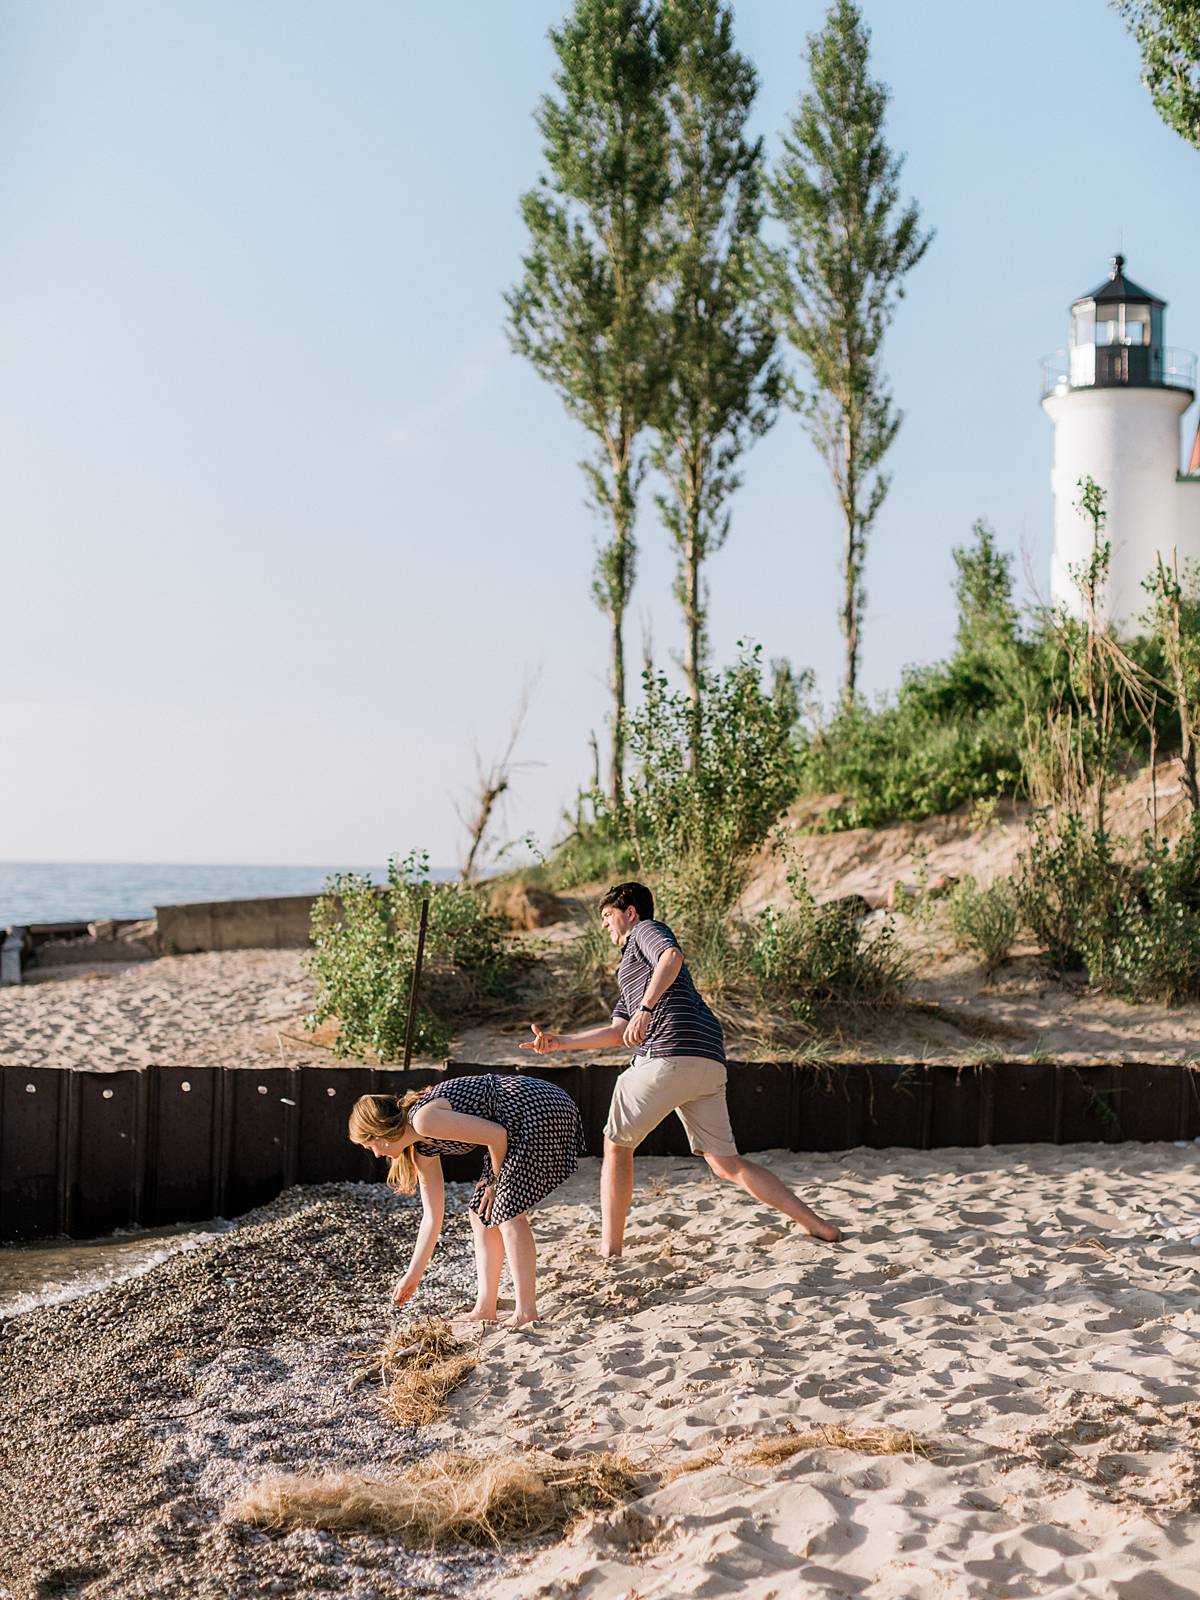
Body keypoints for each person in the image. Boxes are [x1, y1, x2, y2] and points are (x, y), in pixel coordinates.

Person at [521, 880, 840, 1257]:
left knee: (616, 1144)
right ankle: (819, 1227)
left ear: (630, 912)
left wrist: (647, 1007)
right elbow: (619, 1031)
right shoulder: (630, 969)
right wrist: (562, 1042)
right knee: (727, 1164)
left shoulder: (645, 930)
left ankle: (610, 1250)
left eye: (608, 916)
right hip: (707, 1062)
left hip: (669, 1054)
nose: (604, 925)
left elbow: (671, 957)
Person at [349, 1072, 585, 1328]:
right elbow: (432, 1217)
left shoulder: (423, 1120)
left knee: (508, 1211)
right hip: (516, 1121)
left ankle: (526, 1311)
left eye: (367, 1145)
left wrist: (494, 1183)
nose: (372, 1153)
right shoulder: (422, 1150)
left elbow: (496, 1135)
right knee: (480, 1214)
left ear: (379, 1134)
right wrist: (413, 1275)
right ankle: (485, 1307)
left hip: (538, 1106)